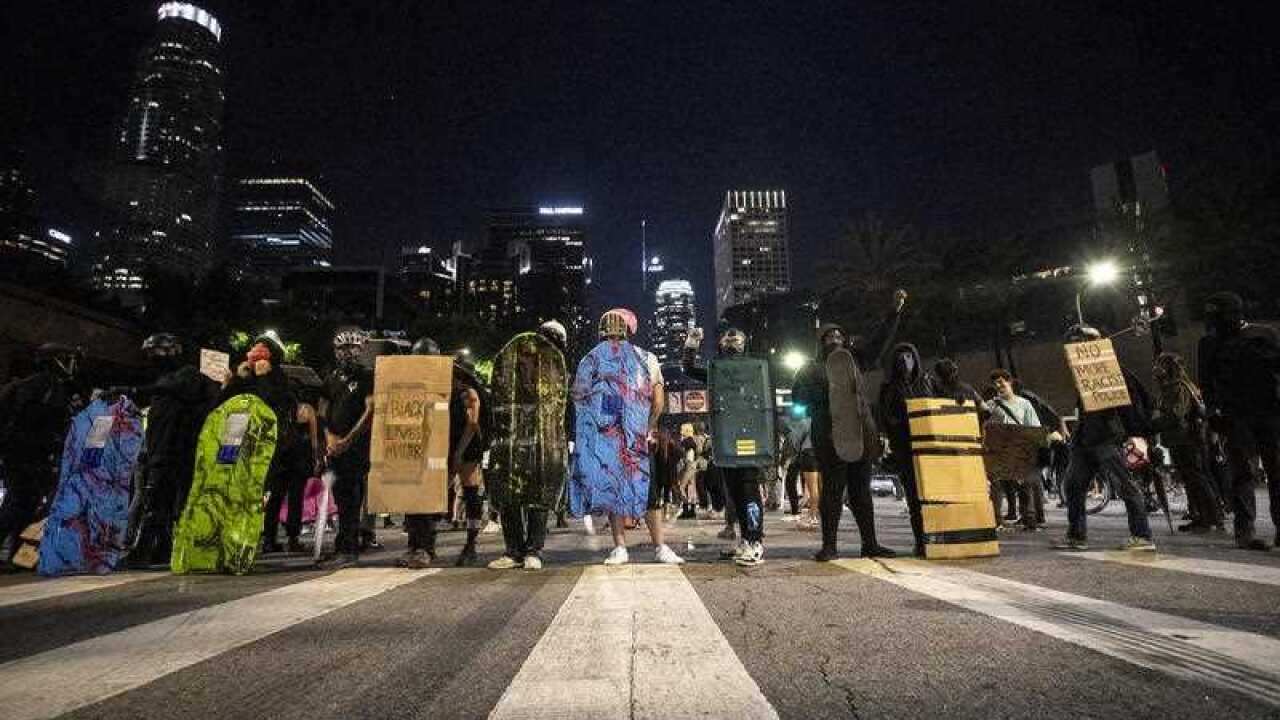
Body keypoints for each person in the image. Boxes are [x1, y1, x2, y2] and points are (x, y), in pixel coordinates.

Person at [795, 289, 906, 561]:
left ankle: (870, 543)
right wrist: (827, 393)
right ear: (819, 343)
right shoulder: (810, 368)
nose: (834, 339)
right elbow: (799, 398)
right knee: (832, 490)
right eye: (828, 337)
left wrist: (894, 313)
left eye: (838, 336)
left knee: (861, 491)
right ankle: (829, 545)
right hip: (830, 435)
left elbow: (879, 342)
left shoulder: (856, 358)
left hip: (861, 432)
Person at [569, 308, 684, 565]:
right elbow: (658, 400)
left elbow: (579, 398)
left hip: (605, 436)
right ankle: (660, 546)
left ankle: (620, 547)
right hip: (637, 436)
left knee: (613, 490)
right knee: (649, 491)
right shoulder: (647, 358)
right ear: (629, 330)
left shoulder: (590, 358)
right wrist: (647, 427)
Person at [1052, 325, 1156, 552]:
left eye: (1078, 343)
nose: (1073, 349)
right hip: (1086, 440)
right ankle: (1076, 536)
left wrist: (1134, 435)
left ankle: (1142, 536)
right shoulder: (1084, 376)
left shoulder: (1117, 373)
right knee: (1073, 486)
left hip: (1109, 439)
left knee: (1127, 486)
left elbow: (1136, 406)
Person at [1198, 291, 1280, 551]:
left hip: (1269, 413)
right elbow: (1206, 382)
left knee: (1276, 471)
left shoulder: (1264, 335)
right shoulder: (1209, 344)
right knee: (1242, 473)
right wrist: (1213, 414)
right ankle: (1245, 531)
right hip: (1234, 417)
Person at [486, 322, 572, 571]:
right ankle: (520, 551)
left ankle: (528, 550)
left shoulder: (556, 368)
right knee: (515, 496)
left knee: (534, 497)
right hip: (515, 439)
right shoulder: (514, 358)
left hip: (540, 440)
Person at [682, 327, 768, 565]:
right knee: (736, 493)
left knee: (748, 492)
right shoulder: (721, 370)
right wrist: (691, 344)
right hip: (729, 438)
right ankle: (747, 540)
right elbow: (689, 369)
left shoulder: (753, 369)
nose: (732, 346)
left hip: (745, 437)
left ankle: (755, 542)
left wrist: (692, 344)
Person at [129, 333, 217, 565]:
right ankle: (163, 547)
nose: (152, 359)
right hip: (162, 451)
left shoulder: (187, 378)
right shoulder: (166, 384)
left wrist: (133, 390)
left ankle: (145, 551)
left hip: (177, 451)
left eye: (156, 353)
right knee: (160, 501)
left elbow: (174, 388)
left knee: (158, 501)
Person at [0, 343, 83, 563]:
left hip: (20, 451)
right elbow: (40, 423)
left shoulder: (33, 384)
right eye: (67, 359)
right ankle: (15, 554)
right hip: (29, 452)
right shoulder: (48, 386)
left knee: (24, 502)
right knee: (20, 501)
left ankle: (16, 555)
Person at [320, 328, 375, 566]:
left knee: (352, 498)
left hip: (356, 448)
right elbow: (323, 408)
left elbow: (370, 410)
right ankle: (343, 545)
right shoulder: (331, 377)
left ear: (361, 351)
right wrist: (329, 437)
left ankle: (349, 549)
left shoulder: (367, 376)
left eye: (353, 348)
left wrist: (348, 440)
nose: (348, 353)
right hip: (334, 447)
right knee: (340, 498)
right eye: (343, 349)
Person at [1151, 352, 1223, 533]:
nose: (1158, 369)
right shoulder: (1168, 389)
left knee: (1198, 479)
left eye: (1162, 365)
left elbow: (1177, 414)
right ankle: (1199, 516)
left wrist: (1153, 424)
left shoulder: (1181, 387)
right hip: (1177, 440)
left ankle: (1213, 518)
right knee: (1190, 480)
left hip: (1189, 441)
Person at [877, 340, 937, 556]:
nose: (905, 361)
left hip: (930, 448)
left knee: (933, 497)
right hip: (905, 449)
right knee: (913, 497)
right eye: (901, 357)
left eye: (909, 356)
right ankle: (921, 541)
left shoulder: (927, 382)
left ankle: (937, 538)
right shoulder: (889, 388)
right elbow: (886, 418)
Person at [984, 369, 1044, 532]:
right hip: (999, 451)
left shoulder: (1024, 404)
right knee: (996, 486)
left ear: (1010, 382)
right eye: (995, 383)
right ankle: (997, 521)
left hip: (1019, 449)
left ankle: (1029, 520)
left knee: (1024, 484)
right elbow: (984, 426)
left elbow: (1034, 426)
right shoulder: (991, 405)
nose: (999, 385)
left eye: (1002, 381)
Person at [450, 355, 488, 566]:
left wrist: (458, 452)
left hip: (467, 448)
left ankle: (471, 544)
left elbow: (472, 424)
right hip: (456, 446)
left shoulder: (468, 393)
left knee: (471, 492)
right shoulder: (453, 393)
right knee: (466, 493)